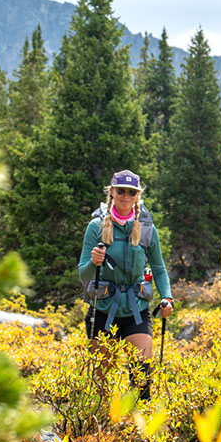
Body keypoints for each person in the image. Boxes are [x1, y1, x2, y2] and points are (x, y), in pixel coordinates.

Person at [78, 169, 174, 399]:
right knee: (101, 384)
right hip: (102, 310)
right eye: (121, 191)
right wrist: (93, 262)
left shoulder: (147, 228)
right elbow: (83, 274)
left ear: (137, 195)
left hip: (136, 310)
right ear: (112, 192)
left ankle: (139, 418)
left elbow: (159, 268)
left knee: (141, 378)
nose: (126, 196)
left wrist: (167, 297)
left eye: (131, 192)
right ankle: (102, 421)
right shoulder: (96, 227)